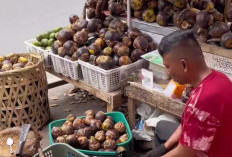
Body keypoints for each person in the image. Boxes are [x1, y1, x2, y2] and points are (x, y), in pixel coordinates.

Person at [142, 29, 232, 157]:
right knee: (162, 127)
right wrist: (165, 147)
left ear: (183, 65)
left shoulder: (203, 100)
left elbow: (185, 153)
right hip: (216, 143)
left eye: (167, 66)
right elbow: (189, 124)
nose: (168, 72)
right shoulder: (219, 77)